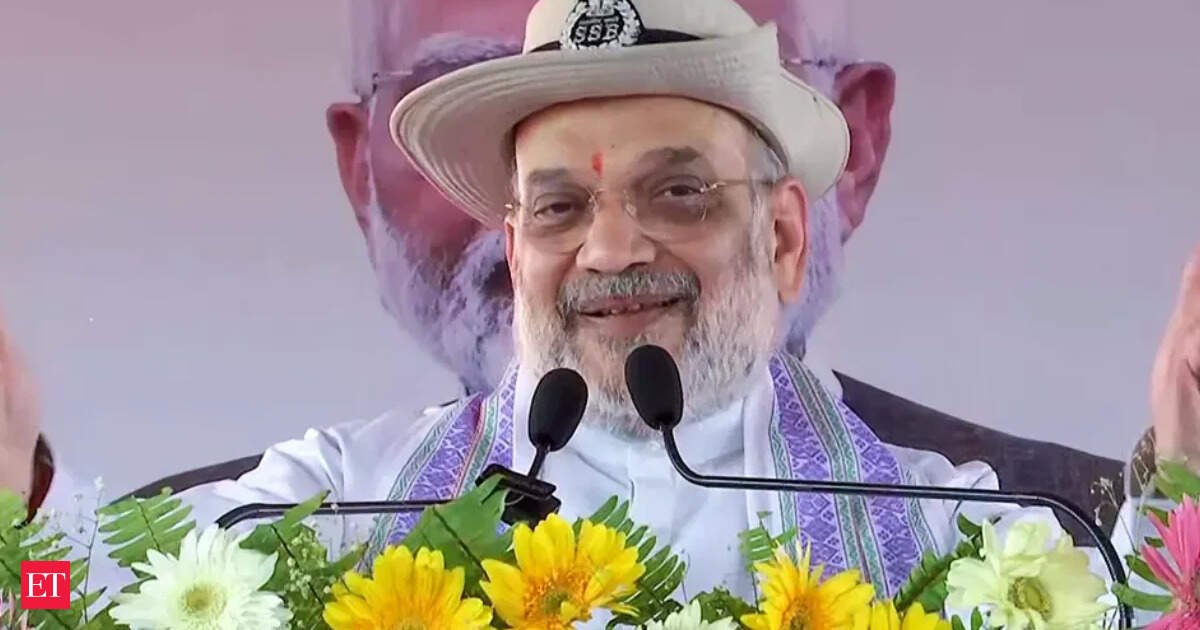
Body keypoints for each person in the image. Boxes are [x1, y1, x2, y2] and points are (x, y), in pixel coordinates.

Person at [1, 0, 1196, 619]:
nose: (612, 250)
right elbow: (69, 599)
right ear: (515, 248)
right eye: (562, 207)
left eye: (677, 193)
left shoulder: (946, 530)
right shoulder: (349, 505)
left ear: (782, 238)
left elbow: (1145, 614)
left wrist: (1188, 487)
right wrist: (15, 509)